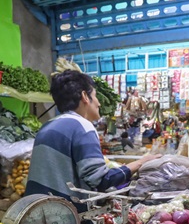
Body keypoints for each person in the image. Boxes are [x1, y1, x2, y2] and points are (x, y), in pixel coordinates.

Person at [25, 71, 158, 205]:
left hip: (34, 209)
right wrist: (141, 162)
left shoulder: (46, 126)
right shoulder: (81, 126)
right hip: (62, 216)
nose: (99, 103)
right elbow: (100, 181)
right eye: (95, 96)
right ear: (85, 96)